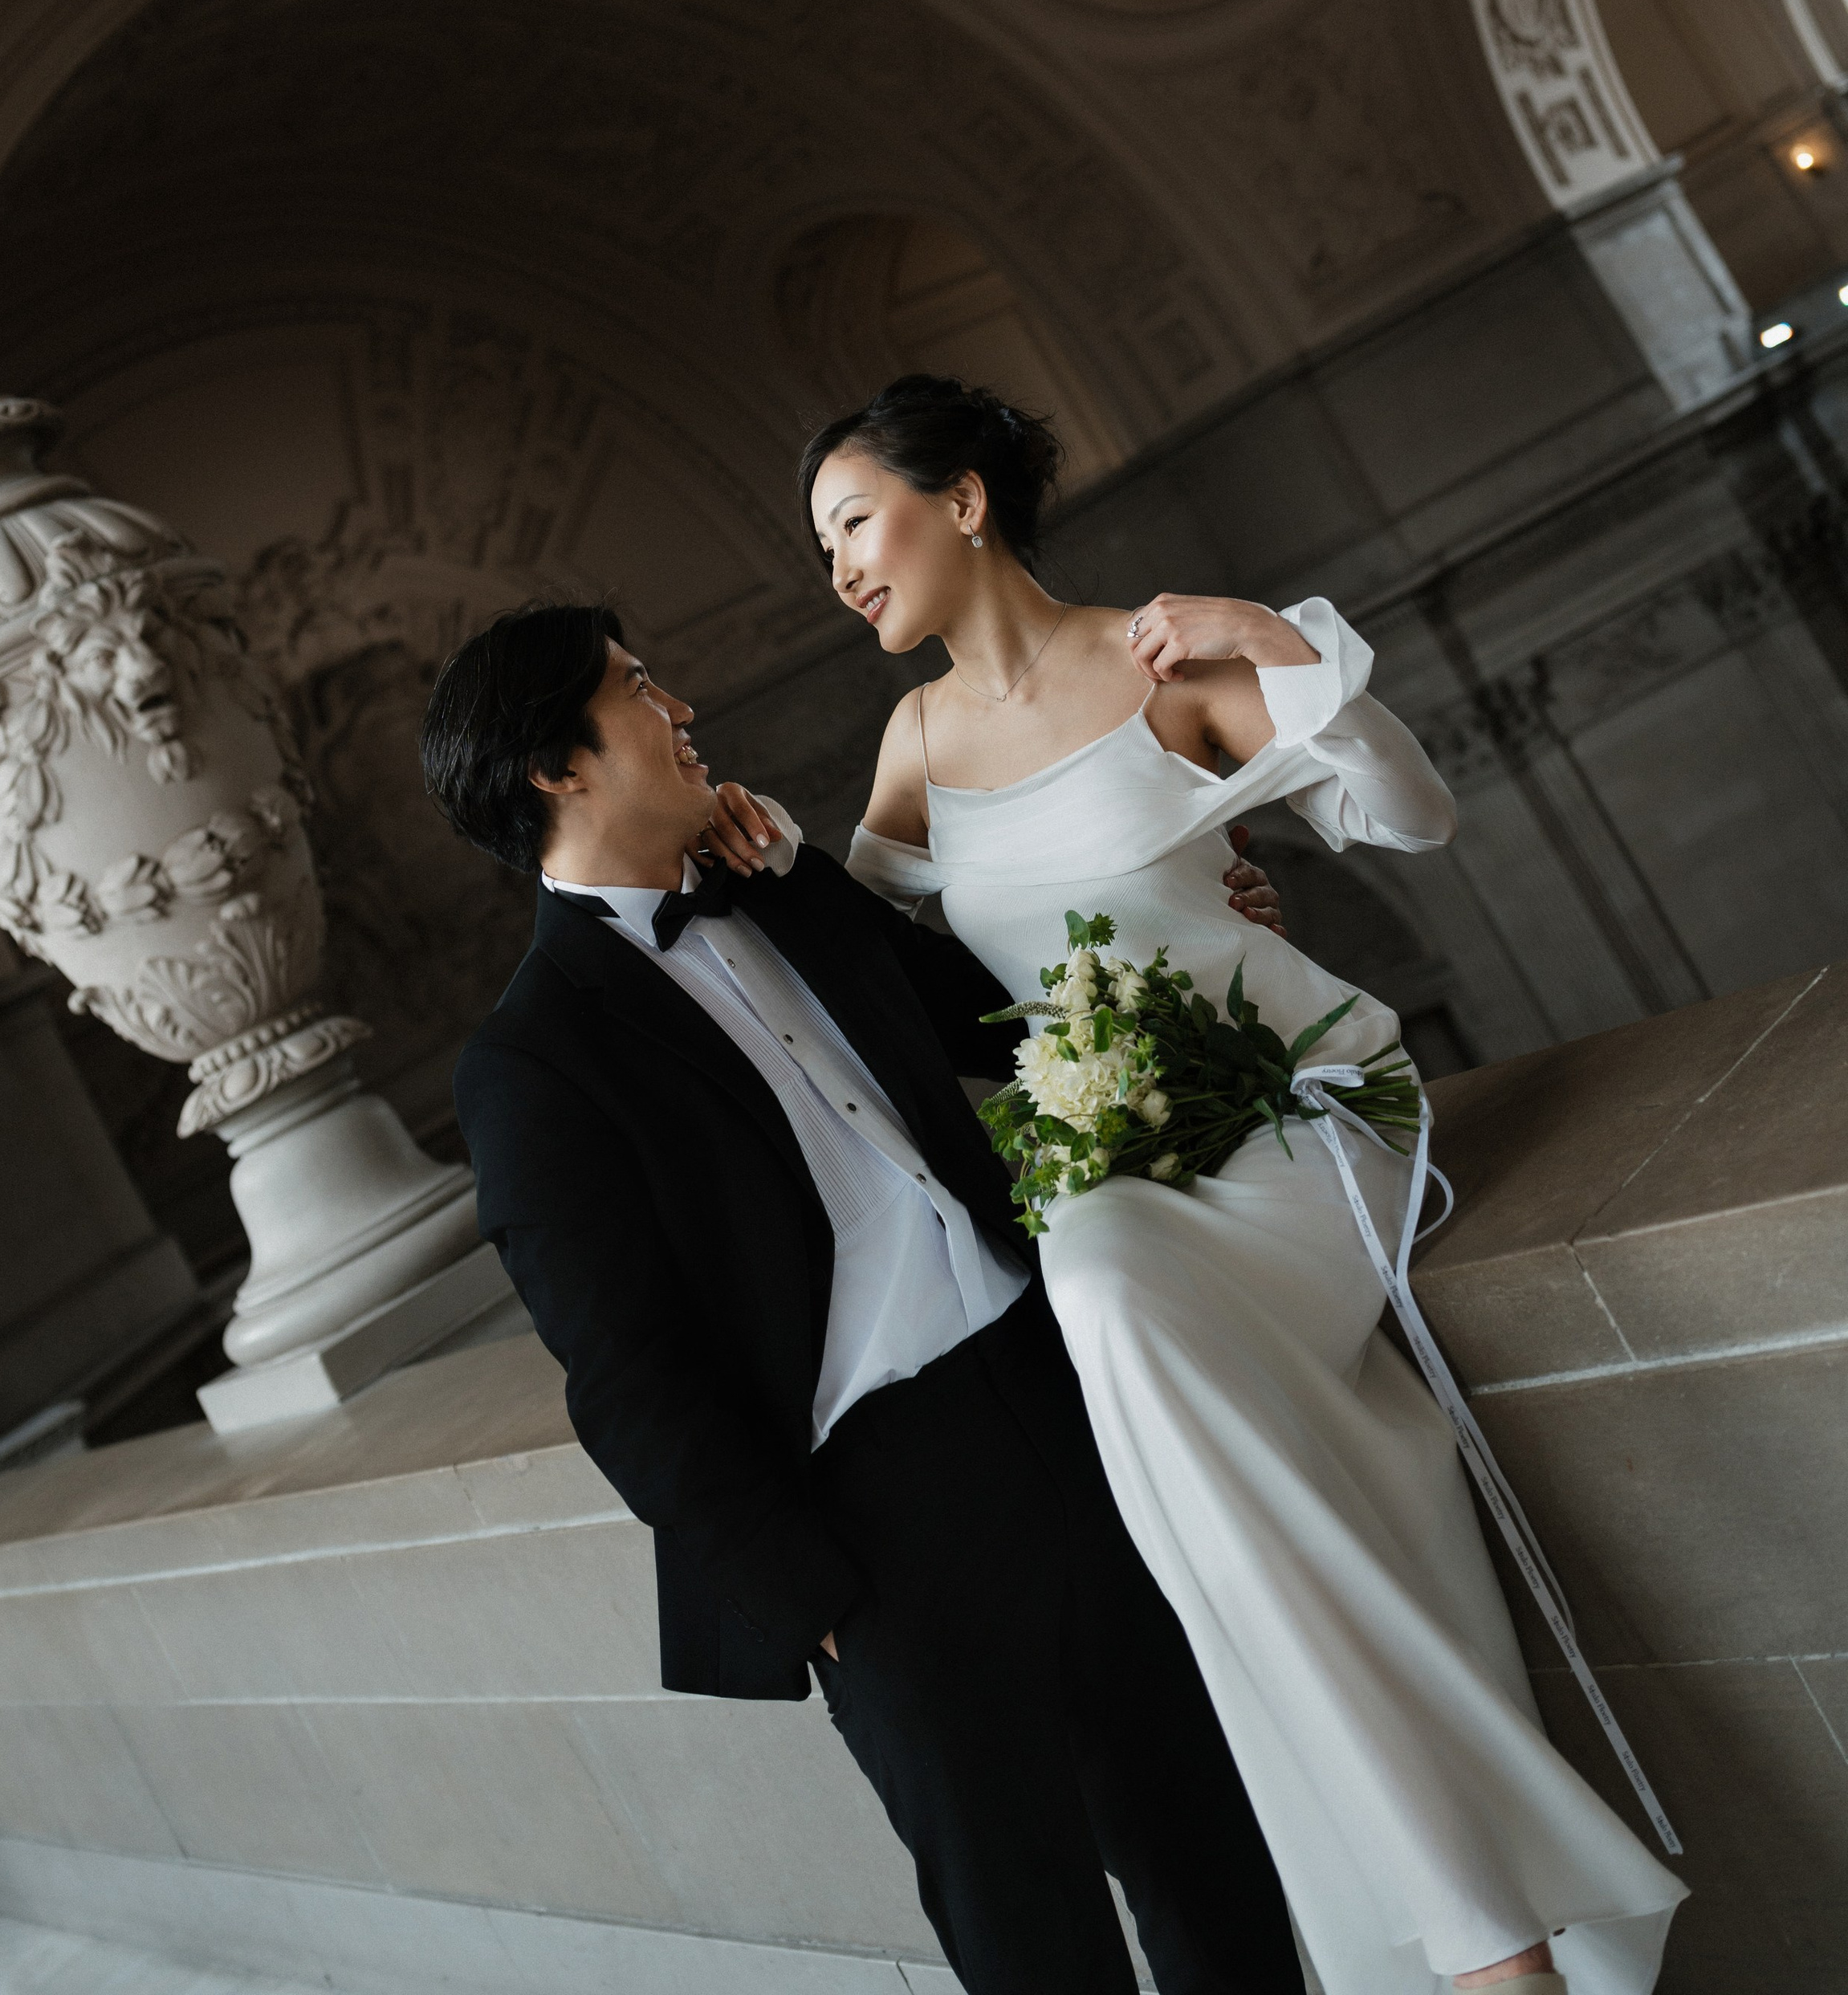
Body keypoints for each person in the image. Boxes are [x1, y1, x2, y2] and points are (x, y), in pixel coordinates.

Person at [724, 372, 1687, 1995]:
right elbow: (893, 973)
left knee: (1134, 1347)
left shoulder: (1155, 657)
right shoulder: (912, 745)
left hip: (1301, 1112)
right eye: (818, 546)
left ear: (961, 499)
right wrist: (768, 874)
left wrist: (1268, 637)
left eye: (853, 522)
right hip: (1117, 1175)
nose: (838, 571)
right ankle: (1490, 1948)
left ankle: (1482, 1943)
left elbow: (1410, 812)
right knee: (1121, 1338)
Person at [427, 603, 1305, 1995]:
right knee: (1037, 1942)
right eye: (641, 689)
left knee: (1221, 1861)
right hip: (878, 1528)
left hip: (1056, 1403)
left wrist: (1199, 917)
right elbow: (626, 1374)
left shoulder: (778, 888)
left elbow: (996, 1018)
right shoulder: (530, 1062)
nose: (682, 704)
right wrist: (820, 1602)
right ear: (558, 767)